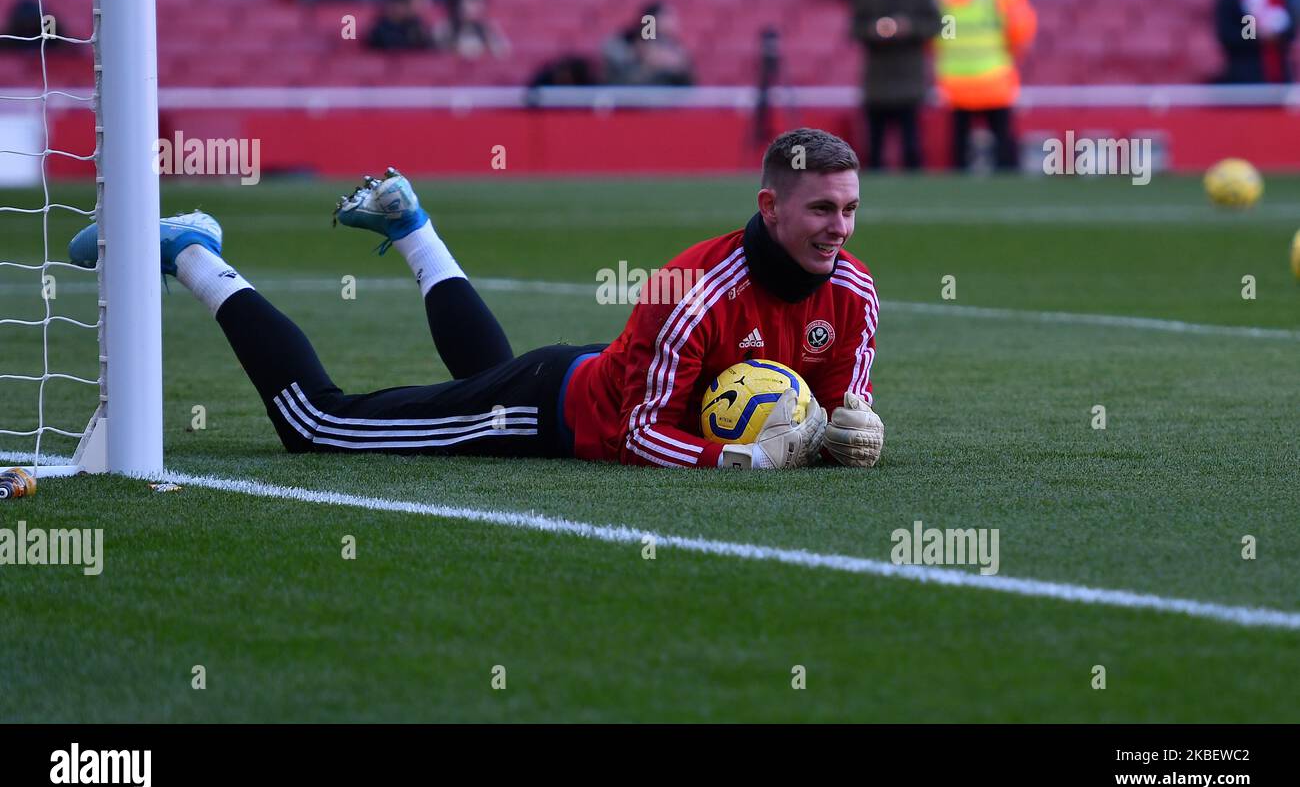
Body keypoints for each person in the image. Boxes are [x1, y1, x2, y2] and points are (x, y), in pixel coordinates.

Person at [67, 130, 884, 471]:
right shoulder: (695, 288)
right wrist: (735, 458)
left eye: (848, 208)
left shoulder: (854, 294)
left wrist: (848, 433)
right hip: (546, 414)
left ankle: (410, 225)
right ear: (771, 207)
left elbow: (842, 406)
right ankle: (195, 251)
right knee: (318, 425)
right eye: (821, 209)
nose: (838, 227)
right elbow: (640, 432)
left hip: (567, 382)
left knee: (484, 372)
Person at [933, 0, 1037, 171]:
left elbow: (931, 29)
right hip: (994, 70)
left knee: (959, 138)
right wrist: (1014, 51)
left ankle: (958, 184)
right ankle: (1006, 177)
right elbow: (1020, 25)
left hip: (953, 73)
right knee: (1001, 135)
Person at [852, 0, 941, 170]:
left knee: (911, 142)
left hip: (909, 77)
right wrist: (875, 30)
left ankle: (916, 184)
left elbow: (935, 24)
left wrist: (909, 27)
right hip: (878, 77)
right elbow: (855, 28)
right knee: (875, 144)